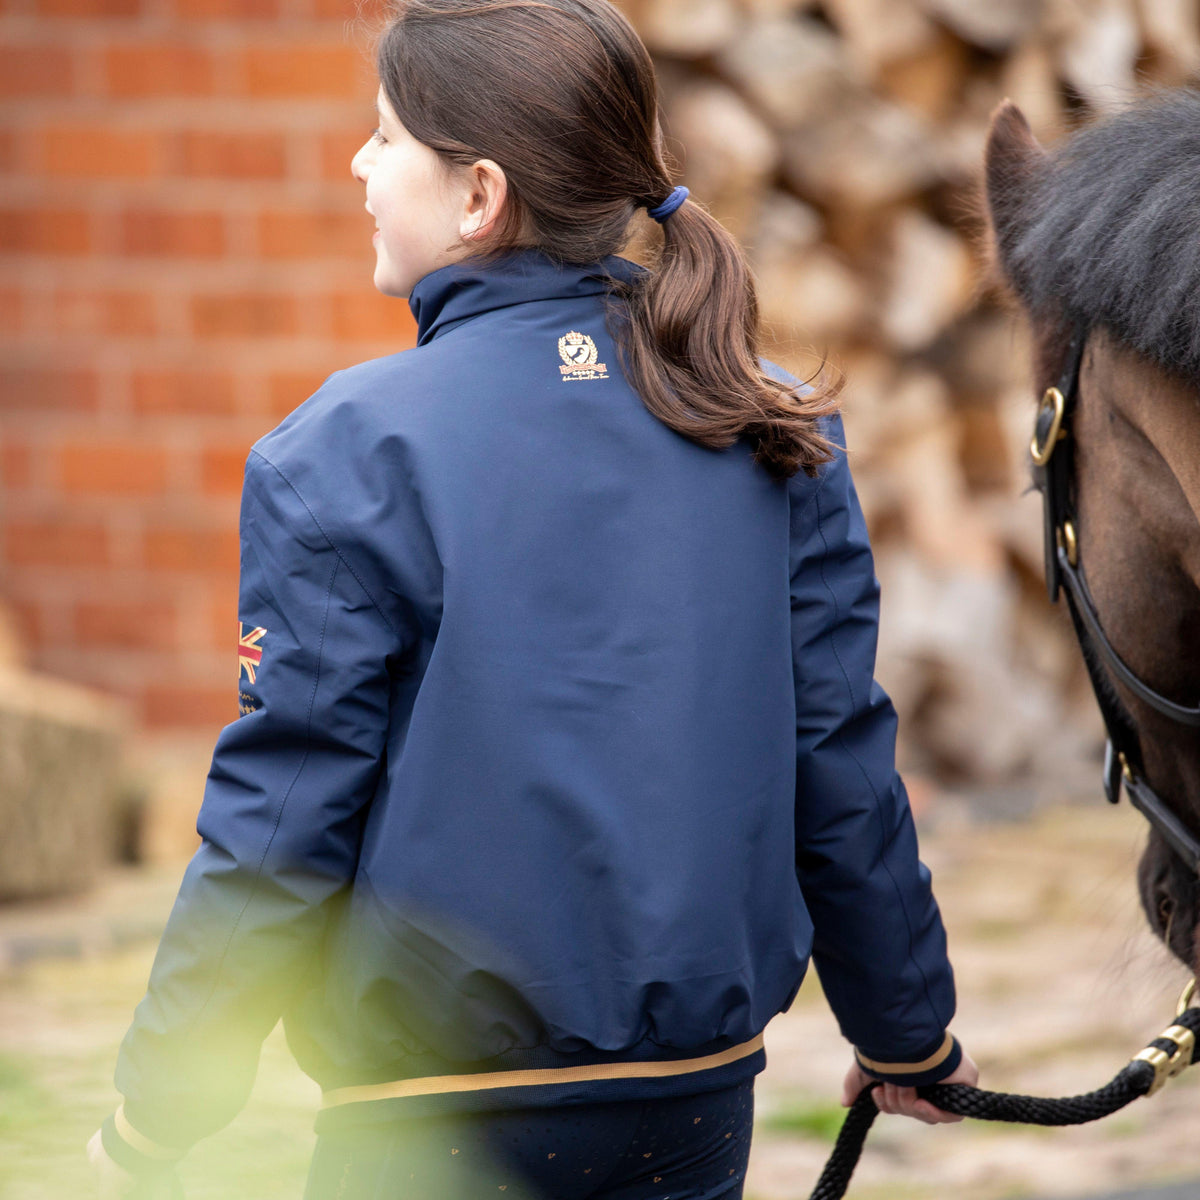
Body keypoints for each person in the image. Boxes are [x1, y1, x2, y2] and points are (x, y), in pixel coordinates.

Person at [88, 0, 977, 1195]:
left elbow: (280, 826)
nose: (360, 162)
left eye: (387, 137)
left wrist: (157, 1120)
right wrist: (906, 1030)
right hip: (698, 1104)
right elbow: (842, 763)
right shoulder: (766, 424)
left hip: (427, 1123)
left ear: (477, 196)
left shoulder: (338, 452)